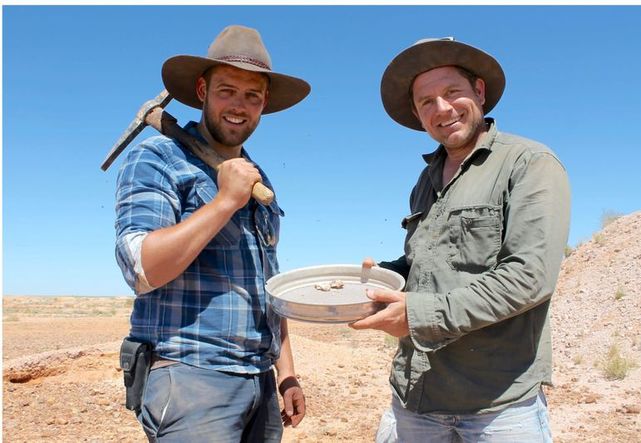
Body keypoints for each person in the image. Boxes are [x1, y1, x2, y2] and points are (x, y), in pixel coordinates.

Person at [351, 36, 570, 442]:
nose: (442, 109)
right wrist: (379, 278)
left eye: (452, 92)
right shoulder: (425, 180)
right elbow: (426, 263)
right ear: (417, 114)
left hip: (499, 407)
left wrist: (417, 316)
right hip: (415, 398)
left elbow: (529, 276)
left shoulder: (529, 163)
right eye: (426, 102)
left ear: (479, 92)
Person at [114, 25, 309, 442]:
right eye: (227, 91)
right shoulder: (159, 157)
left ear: (264, 104)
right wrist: (223, 202)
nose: (239, 106)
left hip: (259, 379)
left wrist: (286, 373)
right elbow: (142, 268)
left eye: (252, 96)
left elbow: (266, 286)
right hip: (190, 377)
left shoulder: (257, 180)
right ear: (202, 90)